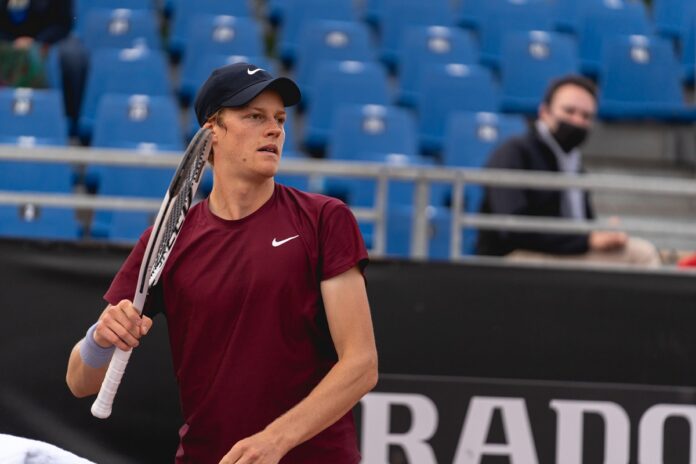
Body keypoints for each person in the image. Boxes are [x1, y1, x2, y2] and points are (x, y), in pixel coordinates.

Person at [66, 62, 378, 463]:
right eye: (255, 116)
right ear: (212, 131)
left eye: (280, 119)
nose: (275, 129)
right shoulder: (166, 241)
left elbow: (361, 364)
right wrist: (101, 338)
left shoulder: (325, 219)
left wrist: (275, 439)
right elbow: (79, 382)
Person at [476, 74, 661, 267]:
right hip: (514, 257)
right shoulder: (515, 152)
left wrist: (603, 233)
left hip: (563, 254)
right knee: (642, 254)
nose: (577, 121)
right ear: (544, 112)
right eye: (569, 111)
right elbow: (512, 228)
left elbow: (583, 226)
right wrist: (587, 241)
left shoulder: (574, 165)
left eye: (586, 116)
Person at [0, 0, 88, 128]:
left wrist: (37, 41)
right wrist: (12, 42)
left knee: (73, 57)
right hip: (8, 40)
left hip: (49, 39)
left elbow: (63, 23)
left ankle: (71, 120)